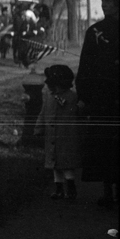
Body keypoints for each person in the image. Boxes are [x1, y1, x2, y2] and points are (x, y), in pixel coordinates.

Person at [77, 0, 120, 208]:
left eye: (109, 1)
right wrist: (83, 95)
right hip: (101, 98)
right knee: (104, 144)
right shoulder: (94, 32)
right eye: (102, 0)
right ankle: (107, 192)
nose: (104, 5)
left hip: (119, 99)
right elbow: (85, 67)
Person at [40, 63, 84, 200]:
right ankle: (59, 188)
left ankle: (70, 187)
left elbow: (78, 113)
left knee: (66, 163)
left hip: (67, 136)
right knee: (55, 164)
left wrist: (81, 108)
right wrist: (39, 127)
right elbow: (43, 113)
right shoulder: (49, 97)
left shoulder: (72, 97)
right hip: (52, 135)